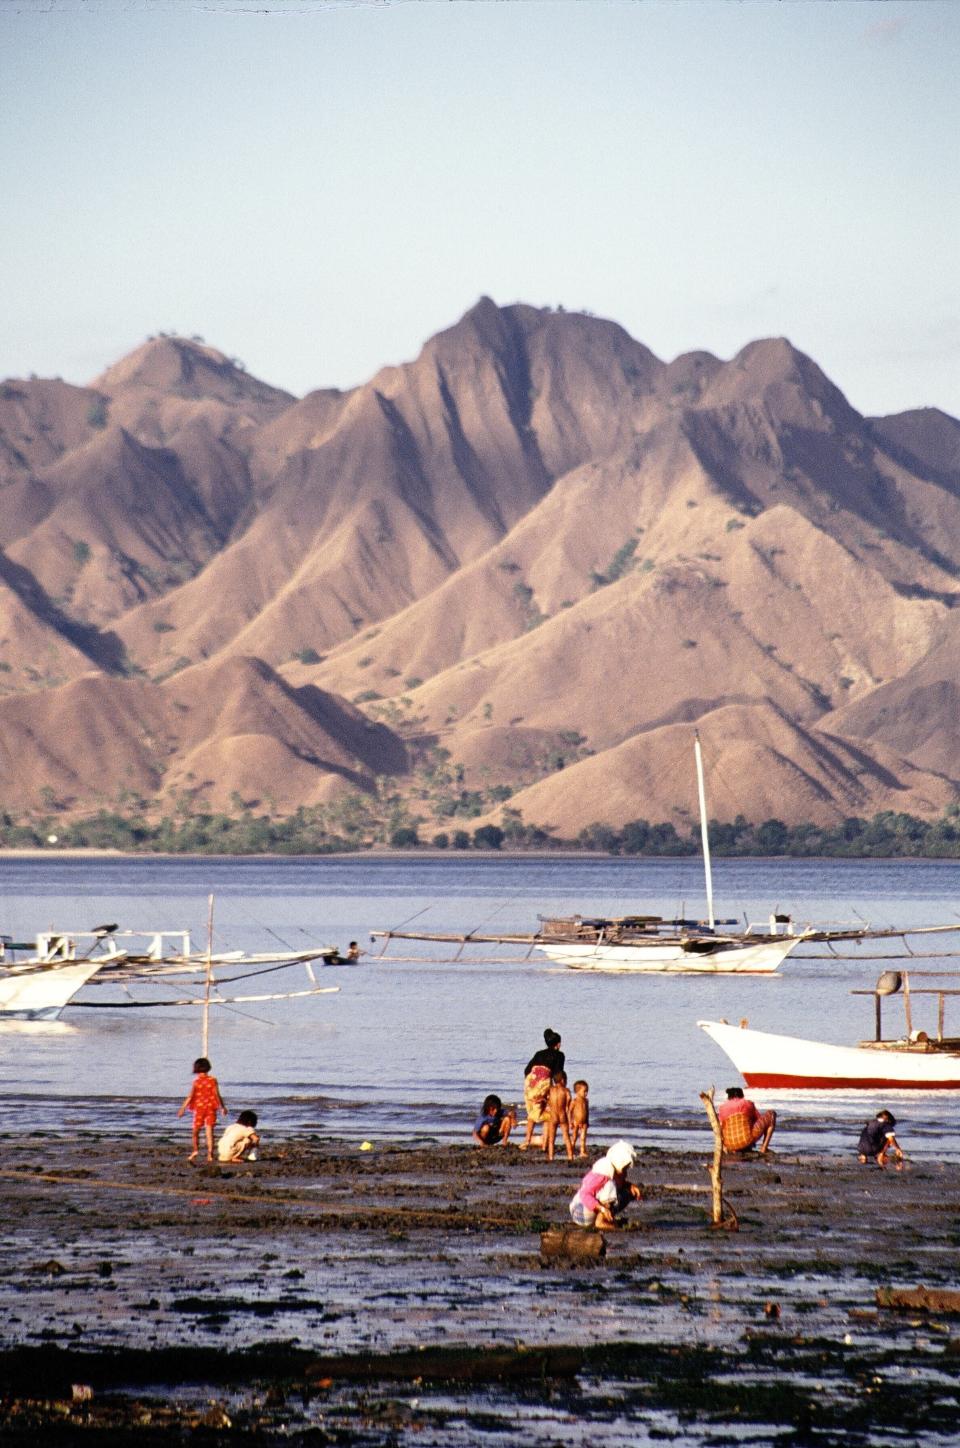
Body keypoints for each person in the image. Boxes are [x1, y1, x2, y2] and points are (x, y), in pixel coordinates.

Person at [569, 1140, 643, 1229]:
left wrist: (630, 1186)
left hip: (585, 1212)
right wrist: (602, 1209)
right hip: (581, 1212)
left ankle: (606, 1218)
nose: (625, 1173)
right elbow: (584, 1194)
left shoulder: (609, 1170)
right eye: (625, 1168)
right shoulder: (602, 1175)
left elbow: (620, 1185)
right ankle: (601, 1221)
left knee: (625, 1192)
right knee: (610, 1186)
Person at [177, 1056, 228, 1163]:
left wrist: (183, 1108)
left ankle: (196, 1150)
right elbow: (217, 1095)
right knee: (209, 1132)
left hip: (200, 1109)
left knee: (195, 1131)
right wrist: (222, 1107)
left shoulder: (197, 1082)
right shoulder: (212, 1080)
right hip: (210, 1108)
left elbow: (190, 1096)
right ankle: (210, 1154)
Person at [521, 1028, 565, 1149]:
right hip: (543, 1084)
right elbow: (557, 1074)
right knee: (549, 1111)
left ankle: (527, 1140)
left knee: (532, 1114)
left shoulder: (538, 1054)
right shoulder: (559, 1055)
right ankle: (545, 1142)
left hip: (530, 1083)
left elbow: (526, 1070)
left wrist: (532, 1084)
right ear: (558, 1044)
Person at [717, 1086, 776, 1155]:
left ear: (729, 1097)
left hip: (729, 1143)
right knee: (772, 1114)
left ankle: (730, 1149)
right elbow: (757, 1119)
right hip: (747, 1139)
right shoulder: (748, 1103)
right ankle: (764, 1148)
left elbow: (720, 1127)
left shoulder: (722, 1107)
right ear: (742, 1095)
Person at [544, 1071, 573, 1162]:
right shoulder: (566, 1091)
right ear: (563, 1080)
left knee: (551, 1139)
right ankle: (570, 1156)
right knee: (566, 1137)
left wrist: (548, 1104)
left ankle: (551, 1157)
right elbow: (568, 1105)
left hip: (553, 1115)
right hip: (562, 1115)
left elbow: (544, 1098)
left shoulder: (550, 1090)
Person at [569, 1079, 590, 1158]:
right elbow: (569, 1111)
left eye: (587, 1091)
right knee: (574, 1137)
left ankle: (582, 1151)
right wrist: (570, 1121)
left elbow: (587, 1111)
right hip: (576, 1121)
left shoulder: (586, 1101)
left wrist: (587, 1121)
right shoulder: (574, 1101)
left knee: (583, 1137)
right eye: (584, 1091)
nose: (586, 1093)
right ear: (577, 1091)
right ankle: (571, 1150)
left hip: (584, 1122)